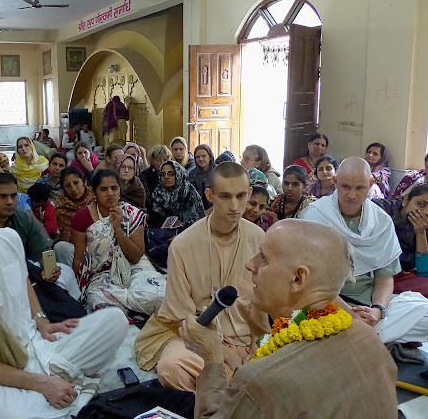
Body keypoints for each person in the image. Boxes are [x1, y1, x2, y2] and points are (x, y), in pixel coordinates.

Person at [0, 193, 128, 419]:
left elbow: (23, 279)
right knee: (8, 414)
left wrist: (41, 320)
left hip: (36, 345)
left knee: (114, 320)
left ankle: (51, 378)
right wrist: (41, 384)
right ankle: (51, 383)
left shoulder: (8, 238)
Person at [183, 220, 398, 418]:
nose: (250, 264)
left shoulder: (258, 383)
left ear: (298, 278)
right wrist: (261, 333)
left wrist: (212, 357)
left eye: (263, 258)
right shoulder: (371, 340)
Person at [134, 162, 264, 391]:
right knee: (171, 367)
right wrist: (226, 357)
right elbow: (181, 316)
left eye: (241, 196)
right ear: (210, 195)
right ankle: (232, 394)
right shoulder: (183, 245)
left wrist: (258, 346)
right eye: (225, 196)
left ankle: (229, 391)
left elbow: (263, 304)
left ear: (250, 194)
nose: (235, 206)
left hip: (247, 339)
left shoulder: (259, 238)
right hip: (197, 340)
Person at [301, 157, 428, 344]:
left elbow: (385, 277)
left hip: (369, 305)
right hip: (326, 302)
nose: (352, 195)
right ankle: (364, 337)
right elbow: (309, 281)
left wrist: (377, 310)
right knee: (316, 325)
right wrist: (348, 313)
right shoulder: (313, 216)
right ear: (335, 182)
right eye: (345, 187)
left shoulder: (381, 221)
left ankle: (363, 336)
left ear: (370, 184)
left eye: (360, 188)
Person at [71, 169, 166, 314]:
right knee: (100, 306)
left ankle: (130, 309)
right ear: (94, 192)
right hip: (102, 273)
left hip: (135, 267)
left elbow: (135, 256)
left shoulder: (131, 213)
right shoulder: (82, 217)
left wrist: (118, 229)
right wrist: (79, 288)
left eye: (114, 188)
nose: (110, 193)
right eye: (104, 189)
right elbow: (79, 258)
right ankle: (134, 311)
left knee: (158, 295)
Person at [0, 173, 75, 276]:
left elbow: (42, 251)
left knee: (67, 274)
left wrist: (50, 270)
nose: (9, 202)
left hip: (20, 272)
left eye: (13, 196)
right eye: (2, 196)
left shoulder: (23, 219)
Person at [373, 184, 428, 297]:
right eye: (421, 204)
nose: (425, 212)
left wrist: (420, 233)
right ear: (406, 200)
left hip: (402, 275)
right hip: (373, 272)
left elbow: (423, 271)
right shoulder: (380, 209)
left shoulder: (426, 225)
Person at [148, 160, 205, 229]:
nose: (166, 177)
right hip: (163, 235)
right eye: (163, 174)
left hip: (189, 233)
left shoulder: (189, 192)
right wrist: (168, 222)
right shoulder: (157, 194)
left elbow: (199, 221)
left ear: (178, 174)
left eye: (171, 173)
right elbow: (153, 221)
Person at [55, 167, 94, 244]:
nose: (73, 189)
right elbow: (68, 236)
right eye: (68, 185)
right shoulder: (61, 207)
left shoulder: (96, 197)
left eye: (76, 183)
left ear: (84, 182)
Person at [140, 144, 172, 212]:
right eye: (158, 160)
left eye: (165, 160)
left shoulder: (173, 174)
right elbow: (148, 201)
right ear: (152, 161)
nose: (162, 163)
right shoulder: (145, 175)